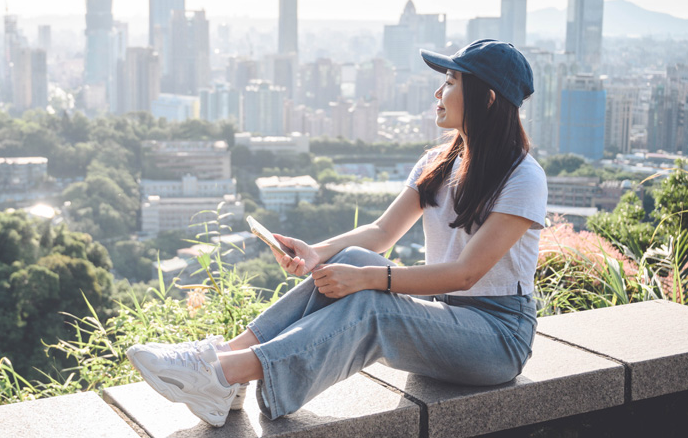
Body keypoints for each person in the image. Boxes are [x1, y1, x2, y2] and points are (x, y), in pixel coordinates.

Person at [127, 39, 548, 427]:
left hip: (497, 336)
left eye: (451, 82)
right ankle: (225, 360)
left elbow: (464, 274)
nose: (438, 93)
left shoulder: (523, 177)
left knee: (373, 302)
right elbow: (383, 231)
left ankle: (221, 374)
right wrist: (318, 253)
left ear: (488, 98)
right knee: (352, 260)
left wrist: (370, 281)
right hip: (443, 315)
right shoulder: (440, 162)